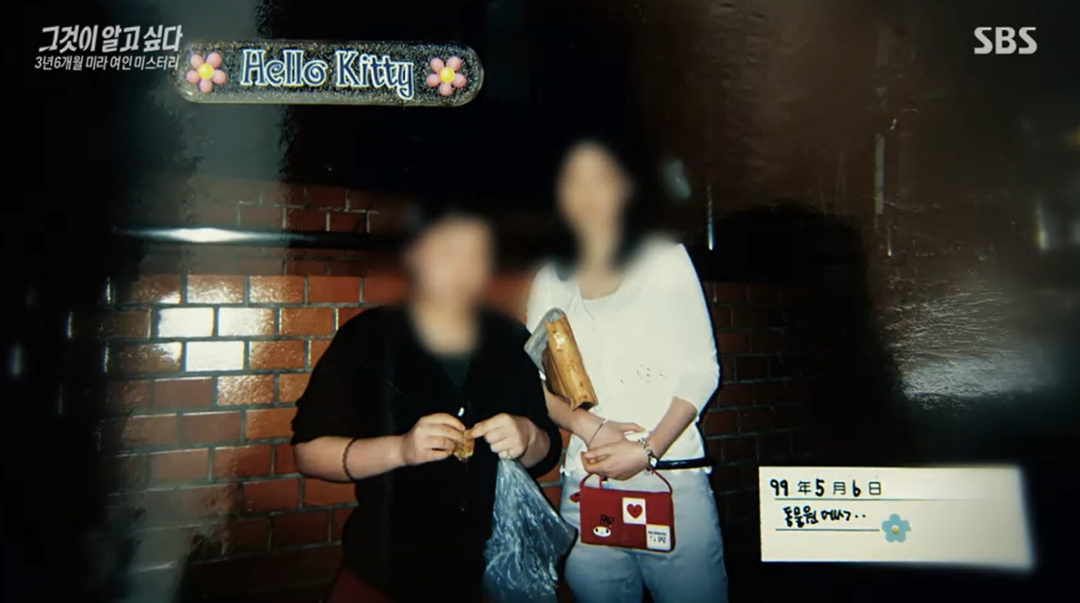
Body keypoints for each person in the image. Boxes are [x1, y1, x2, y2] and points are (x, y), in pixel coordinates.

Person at [291, 205, 562, 602]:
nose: (464, 270)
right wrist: (401, 449)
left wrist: (528, 437)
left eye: (477, 254)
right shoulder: (367, 337)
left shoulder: (509, 337)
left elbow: (547, 449)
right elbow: (308, 453)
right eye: (449, 252)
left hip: (494, 570)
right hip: (390, 570)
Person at [527, 137, 728, 603]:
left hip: (671, 479)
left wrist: (647, 450)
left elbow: (701, 371)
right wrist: (590, 427)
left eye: (601, 178)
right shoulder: (551, 278)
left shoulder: (664, 260)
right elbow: (536, 383)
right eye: (573, 180)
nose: (587, 194)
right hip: (587, 482)